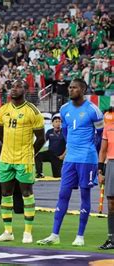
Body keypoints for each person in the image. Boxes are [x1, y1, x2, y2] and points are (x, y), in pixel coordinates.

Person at [37, 78, 104, 247]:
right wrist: (72, 148)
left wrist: (88, 149)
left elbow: (100, 135)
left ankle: (80, 236)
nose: (70, 90)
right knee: (63, 194)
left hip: (87, 159)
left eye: (74, 88)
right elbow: (66, 131)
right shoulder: (64, 109)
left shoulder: (93, 110)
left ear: (83, 89)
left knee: (85, 195)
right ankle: (54, 234)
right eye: (70, 87)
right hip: (70, 159)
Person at [0, 79, 45, 243]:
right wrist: (7, 147)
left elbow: (41, 138)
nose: (14, 89)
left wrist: (31, 153)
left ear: (25, 90)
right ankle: (8, 232)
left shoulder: (32, 111)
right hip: (6, 159)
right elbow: (0, 133)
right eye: (12, 86)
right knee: (5, 194)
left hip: (24, 159)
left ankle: (27, 233)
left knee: (26, 194)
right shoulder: (3, 110)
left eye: (18, 86)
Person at [98, 108, 114, 250]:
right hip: (112, 164)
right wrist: (100, 171)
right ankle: (112, 239)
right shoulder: (108, 126)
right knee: (111, 203)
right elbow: (103, 150)